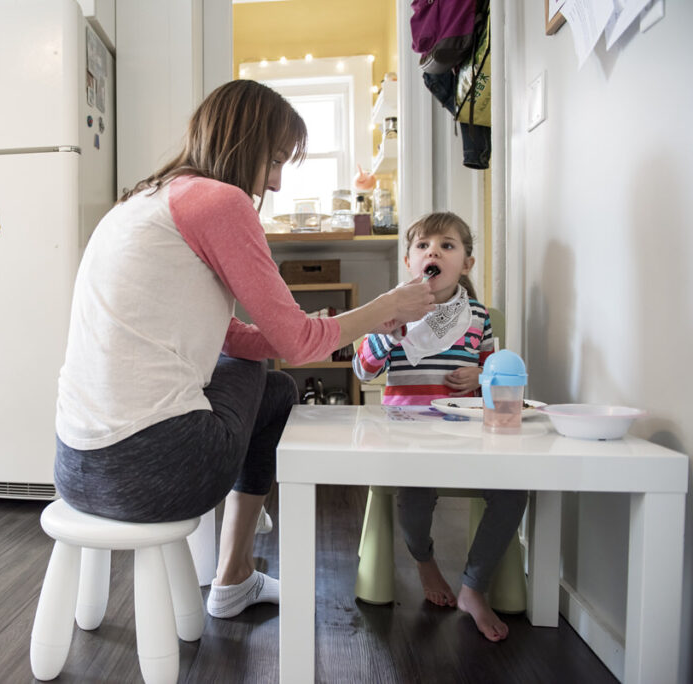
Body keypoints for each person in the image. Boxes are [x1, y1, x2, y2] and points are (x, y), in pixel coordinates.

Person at [55, 79, 434, 620]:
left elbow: (232, 334)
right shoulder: (219, 201)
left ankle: (236, 561)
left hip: (74, 466)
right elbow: (296, 346)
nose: (276, 182)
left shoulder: (142, 199)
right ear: (244, 144)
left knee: (260, 373)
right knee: (271, 384)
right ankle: (232, 575)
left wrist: (311, 328)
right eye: (275, 161)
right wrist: (384, 307)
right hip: (151, 470)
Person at [352, 211, 527, 642]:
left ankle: (473, 587)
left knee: (513, 493)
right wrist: (387, 335)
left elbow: (496, 374)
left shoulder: (478, 317)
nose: (434, 251)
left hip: (465, 439)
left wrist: (481, 377)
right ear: (410, 262)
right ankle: (425, 564)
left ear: (465, 263)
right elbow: (361, 370)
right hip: (407, 439)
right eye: (423, 246)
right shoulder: (394, 312)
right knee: (412, 504)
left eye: (447, 246)